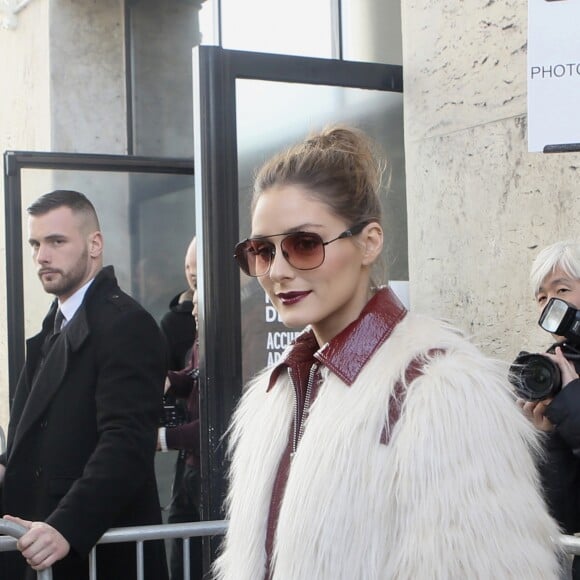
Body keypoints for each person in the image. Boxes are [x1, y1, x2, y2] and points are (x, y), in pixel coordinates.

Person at [213, 126, 561, 579]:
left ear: (369, 242)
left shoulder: (440, 392)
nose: (277, 271)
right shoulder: (272, 397)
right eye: (261, 251)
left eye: (304, 244)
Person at [0, 190, 168, 580]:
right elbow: (33, 438)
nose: (42, 256)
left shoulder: (127, 324)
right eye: (35, 244)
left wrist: (67, 526)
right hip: (44, 548)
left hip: (96, 556)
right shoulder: (52, 326)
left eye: (56, 241)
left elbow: (127, 442)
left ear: (95, 245)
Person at [520, 240, 580, 579]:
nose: (550, 304)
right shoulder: (552, 372)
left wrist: (572, 404)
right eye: (542, 297)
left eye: (562, 289)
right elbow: (565, 519)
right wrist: (546, 439)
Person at [157, 236, 203, 579]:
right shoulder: (194, 328)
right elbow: (196, 375)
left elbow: (222, 415)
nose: (194, 304)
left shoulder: (240, 328)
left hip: (212, 465)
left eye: (200, 278)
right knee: (181, 547)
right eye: (188, 271)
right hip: (189, 463)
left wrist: (162, 438)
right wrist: (169, 379)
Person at [160, 236, 197, 371]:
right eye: (187, 267)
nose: (191, 273)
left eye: (196, 265)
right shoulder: (174, 322)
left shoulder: (241, 308)